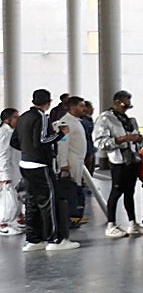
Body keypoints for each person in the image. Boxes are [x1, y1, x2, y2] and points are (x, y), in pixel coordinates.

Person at [15, 88, 78, 250]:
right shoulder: (41, 117)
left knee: (31, 202)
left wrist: (27, 151)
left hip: (25, 163)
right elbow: (43, 139)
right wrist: (60, 134)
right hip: (40, 165)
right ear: (48, 103)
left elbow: (14, 141)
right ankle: (54, 240)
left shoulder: (23, 117)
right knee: (47, 202)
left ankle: (34, 239)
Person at [94, 90, 143, 238]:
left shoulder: (129, 120)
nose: (126, 109)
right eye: (124, 105)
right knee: (116, 191)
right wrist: (122, 139)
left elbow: (138, 139)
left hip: (132, 160)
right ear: (116, 103)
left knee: (130, 192)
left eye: (129, 106)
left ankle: (132, 222)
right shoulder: (105, 119)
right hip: (118, 161)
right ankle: (111, 224)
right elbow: (100, 142)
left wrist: (138, 139)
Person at [56, 96, 89, 226]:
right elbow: (62, 143)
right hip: (71, 161)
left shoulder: (76, 121)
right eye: (81, 106)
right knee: (71, 190)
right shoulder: (65, 122)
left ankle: (76, 215)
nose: (84, 108)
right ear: (73, 107)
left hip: (78, 160)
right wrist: (63, 163)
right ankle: (69, 217)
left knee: (76, 188)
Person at [0, 107, 22, 236]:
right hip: (7, 171)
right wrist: (4, 175)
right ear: (8, 120)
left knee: (14, 197)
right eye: (16, 117)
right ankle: (3, 225)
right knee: (6, 199)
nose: (18, 120)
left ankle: (16, 220)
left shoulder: (10, 132)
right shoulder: (5, 133)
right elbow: (3, 154)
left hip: (13, 170)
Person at [80, 100, 96, 176]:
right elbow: (87, 138)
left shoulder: (86, 120)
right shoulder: (85, 122)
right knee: (88, 173)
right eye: (91, 107)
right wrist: (90, 153)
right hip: (87, 151)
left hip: (88, 150)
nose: (93, 109)